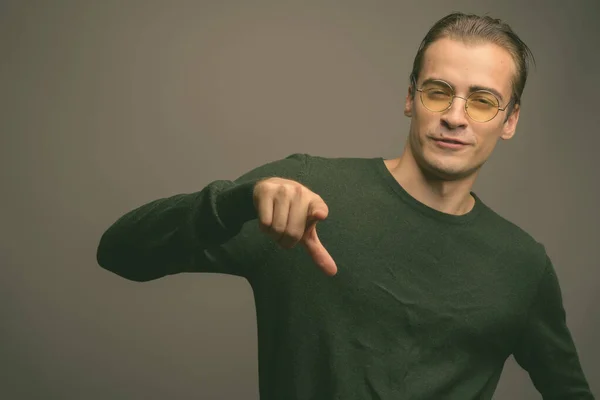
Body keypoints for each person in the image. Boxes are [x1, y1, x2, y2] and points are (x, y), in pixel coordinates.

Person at [96, 12, 595, 400]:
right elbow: (120, 251)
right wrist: (235, 201)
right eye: (438, 92)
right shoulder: (304, 191)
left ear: (509, 121)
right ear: (409, 98)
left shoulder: (521, 264)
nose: (455, 117)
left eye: (482, 101)